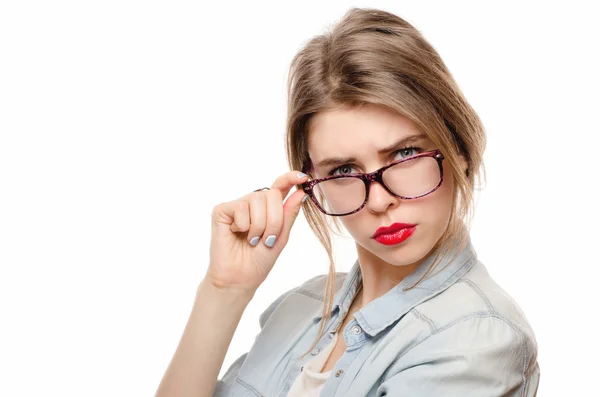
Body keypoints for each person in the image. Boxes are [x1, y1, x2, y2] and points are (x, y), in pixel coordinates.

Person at [155, 7, 540, 397]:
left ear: (459, 152)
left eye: (405, 155)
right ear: (312, 183)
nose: (379, 200)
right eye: (342, 170)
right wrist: (224, 290)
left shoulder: (476, 338)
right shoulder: (299, 308)